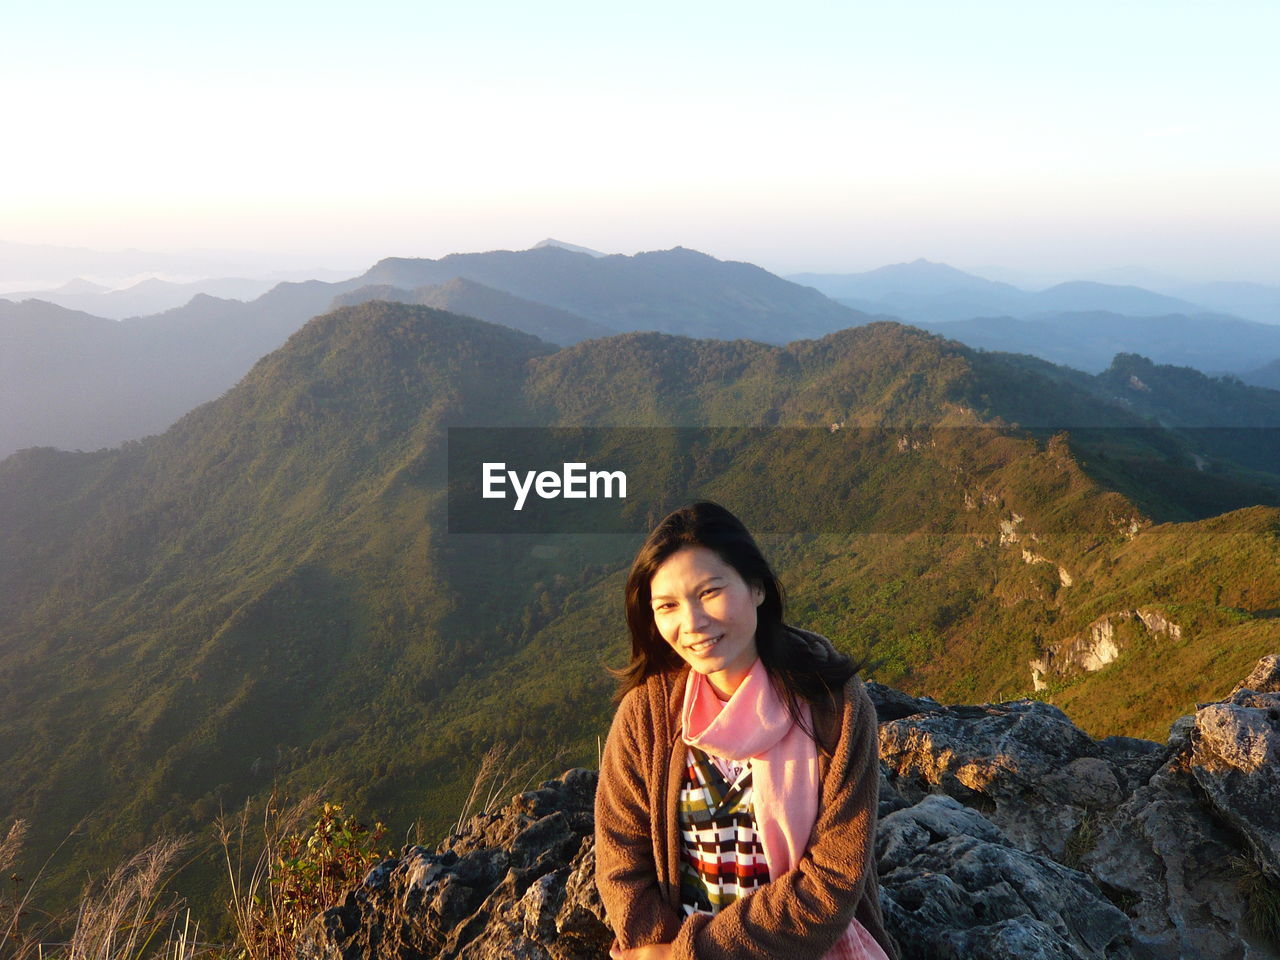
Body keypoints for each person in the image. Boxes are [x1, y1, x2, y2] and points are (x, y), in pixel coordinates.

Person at [594, 501, 900, 960]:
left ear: (756, 586)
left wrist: (693, 956)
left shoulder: (831, 705)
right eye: (668, 606)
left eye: (710, 592)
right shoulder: (647, 715)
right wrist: (658, 948)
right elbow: (621, 860)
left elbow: (832, 882)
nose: (692, 623)